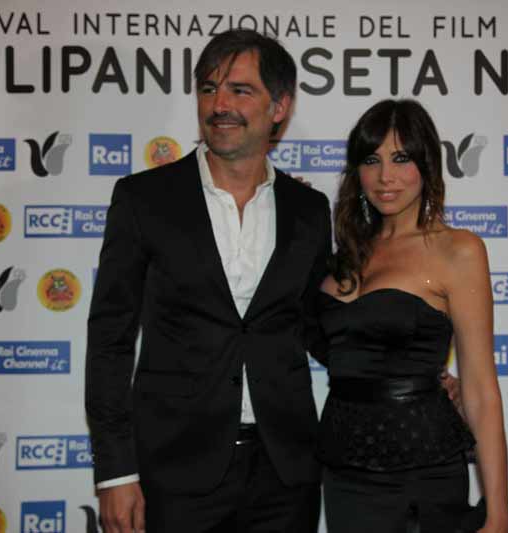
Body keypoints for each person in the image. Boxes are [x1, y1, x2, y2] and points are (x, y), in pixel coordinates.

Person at [85, 29, 332, 532]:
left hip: (286, 474)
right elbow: (110, 340)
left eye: (240, 90)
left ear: (280, 106)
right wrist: (115, 471)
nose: (220, 104)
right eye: (208, 88)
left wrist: (408, 370)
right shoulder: (143, 200)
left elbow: (318, 327)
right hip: (175, 474)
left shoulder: (309, 210)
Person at [316, 99, 508, 533]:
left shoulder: (457, 250)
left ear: (427, 165)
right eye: (372, 160)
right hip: (343, 470)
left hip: (421, 469)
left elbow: (481, 389)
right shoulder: (347, 252)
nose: (385, 176)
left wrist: (497, 513)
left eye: (401, 158)